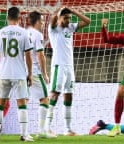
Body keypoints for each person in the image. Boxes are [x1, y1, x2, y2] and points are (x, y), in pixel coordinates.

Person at [0, 7, 33, 141]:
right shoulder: (24, 33)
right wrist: (30, 73)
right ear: (19, 18)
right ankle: (24, 135)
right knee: (22, 104)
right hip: (19, 74)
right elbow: (28, 55)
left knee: (0, 104)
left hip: (3, 74)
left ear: (7, 18)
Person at [45, 7, 90, 136]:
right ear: (60, 18)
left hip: (70, 66)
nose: (68, 20)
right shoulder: (53, 29)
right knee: (54, 94)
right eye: (66, 18)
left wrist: (73, 12)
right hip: (59, 66)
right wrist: (60, 11)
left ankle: (67, 129)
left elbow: (87, 21)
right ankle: (46, 127)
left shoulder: (70, 27)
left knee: (68, 95)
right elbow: (53, 19)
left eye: (69, 18)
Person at [26, 11, 55, 138]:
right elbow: (40, 55)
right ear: (37, 22)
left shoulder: (24, 32)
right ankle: (41, 131)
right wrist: (45, 73)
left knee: (23, 101)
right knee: (44, 99)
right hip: (35, 71)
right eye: (42, 21)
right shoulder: (37, 34)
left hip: (22, 72)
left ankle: (24, 133)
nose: (43, 23)